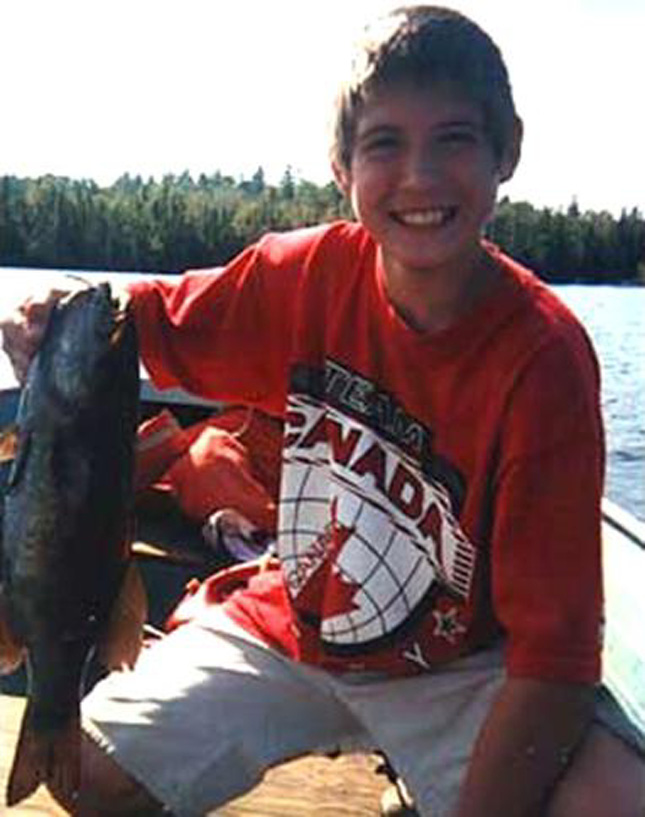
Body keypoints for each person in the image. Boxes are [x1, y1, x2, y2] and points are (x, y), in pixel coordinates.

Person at [2, 6, 644, 816]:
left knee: (613, 802)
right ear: (342, 167)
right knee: (83, 774)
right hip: (295, 624)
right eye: (384, 144)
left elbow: (555, 655)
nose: (418, 176)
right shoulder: (301, 276)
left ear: (505, 151)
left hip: (455, 664)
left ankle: (418, 776)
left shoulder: (544, 360)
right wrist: (48, 315)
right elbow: (146, 320)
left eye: (453, 138)